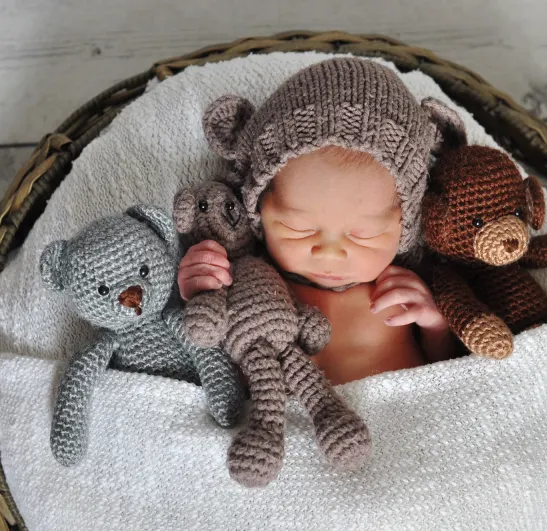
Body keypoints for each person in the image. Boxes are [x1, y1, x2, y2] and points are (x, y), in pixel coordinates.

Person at [178, 57, 454, 385]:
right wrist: (199, 288)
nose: (328, 254)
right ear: (258, 209)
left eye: (364, 235)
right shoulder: (252, 278)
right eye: (298, 229)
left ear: (405, 224)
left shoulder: (406, 285)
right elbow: (204, 346)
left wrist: (435, 324)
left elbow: (448, 371)